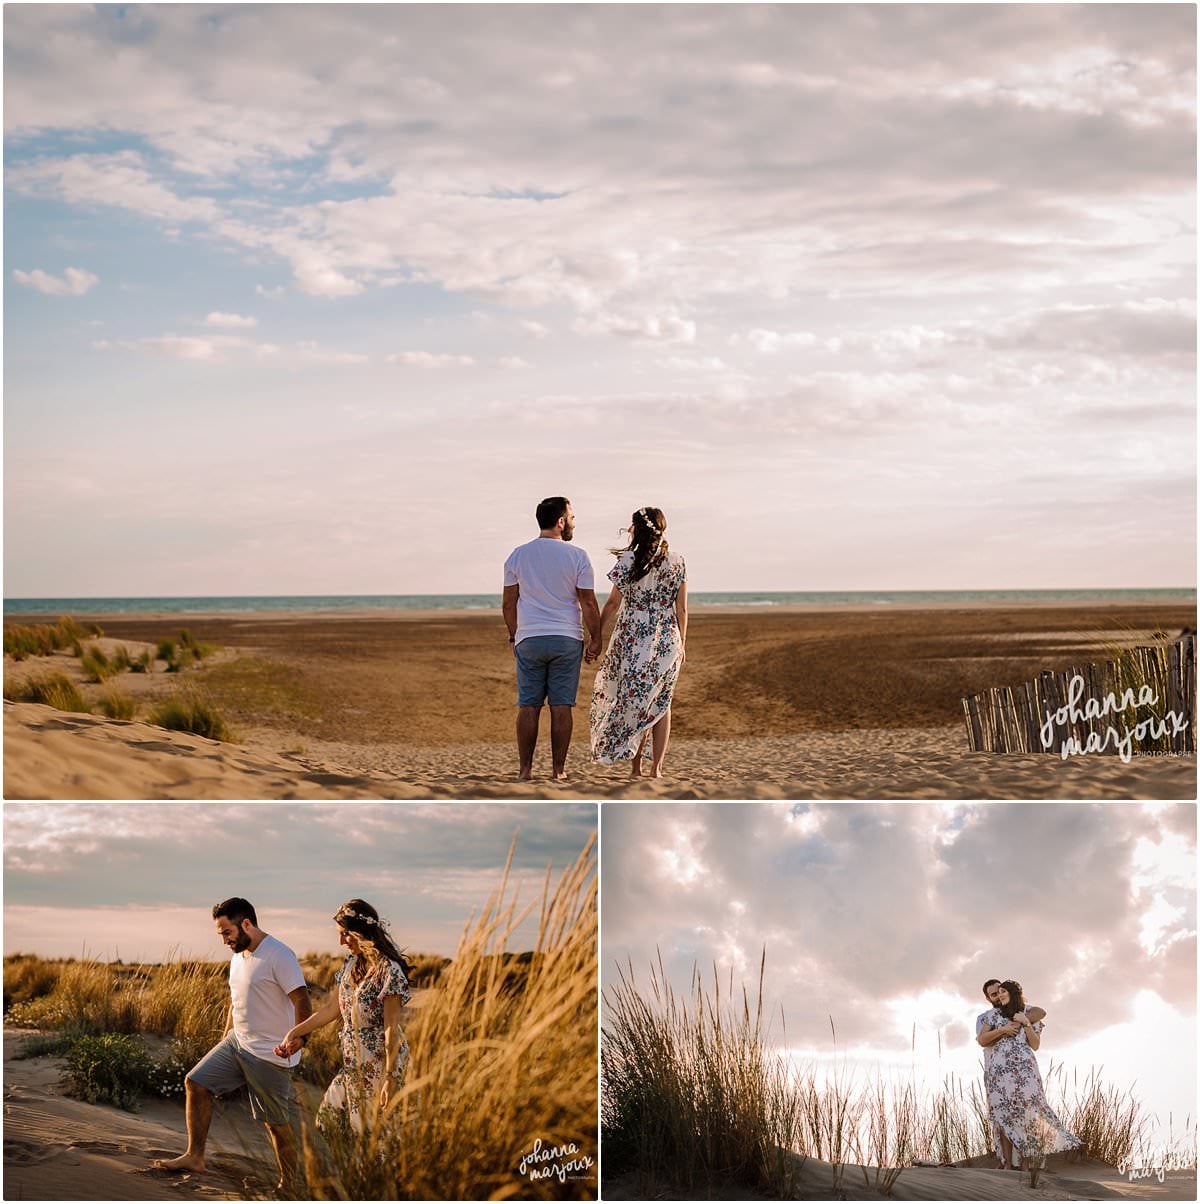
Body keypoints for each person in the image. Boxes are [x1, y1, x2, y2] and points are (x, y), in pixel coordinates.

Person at [153, 898, 312, 1192]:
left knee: (275, 1124)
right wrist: (226, 1037)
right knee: (195, 1083)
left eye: (227, 932)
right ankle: (195, 1156)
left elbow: (301, 999)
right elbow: (236, 1000)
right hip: (237, 1044)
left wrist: (300, 1038)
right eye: (221, 934)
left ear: (246, 924)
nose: (224, 940)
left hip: (270, 1054)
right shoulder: (237, 957)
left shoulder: (279, 955)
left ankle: (289, 1185)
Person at [275, 899, 412, 1134]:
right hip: (353, 1061)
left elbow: (391, 1028)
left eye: (345, 934)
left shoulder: (389, 971)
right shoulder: (351, 964)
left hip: (378, 1062)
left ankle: (365, 1170)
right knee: (327, 1121)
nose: (341, 942)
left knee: (370, 1132)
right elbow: (330, 1009)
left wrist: (390, 1077)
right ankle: (359, 1167)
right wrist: (295, 1032)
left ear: (361, 931)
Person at [502, 497, 602, 781]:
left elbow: (509, 603)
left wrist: (515, 635)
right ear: (560, 521)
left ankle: (525, 770)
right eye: (571, 516)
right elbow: (589, 603)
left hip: (530, 638)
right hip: (566, 638)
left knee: (529, 705)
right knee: (561, 706)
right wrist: (596, 638)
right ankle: (558, 771)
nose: (573, 521)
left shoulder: (517, 555)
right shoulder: (578, 556)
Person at [589, 506, 687, 777]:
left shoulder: (629, 560)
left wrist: (595, 634)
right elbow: (682, 609)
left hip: (632, 638)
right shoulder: (677, 561)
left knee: (637, 700)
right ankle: (656, 768)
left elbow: (612, 603)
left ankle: (637, 766)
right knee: (661, 702)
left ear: (638, 528)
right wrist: (683, 644)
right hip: (667, 639)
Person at [977, 979, 1080, 1170]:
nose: (999, 996)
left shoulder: (1029, 1014)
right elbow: (981, 1040)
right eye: (997, 993)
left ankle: (1026, 1161)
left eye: (1002, 992)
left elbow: (1035, 1045)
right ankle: (1007, 1163)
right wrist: (1003, 1030)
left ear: (1013, 993)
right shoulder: (992, 1015)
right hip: (999, 1072)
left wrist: (1025, 1023)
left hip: (1025, 1070)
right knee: (1003, 1113)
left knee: (1029, 1113)